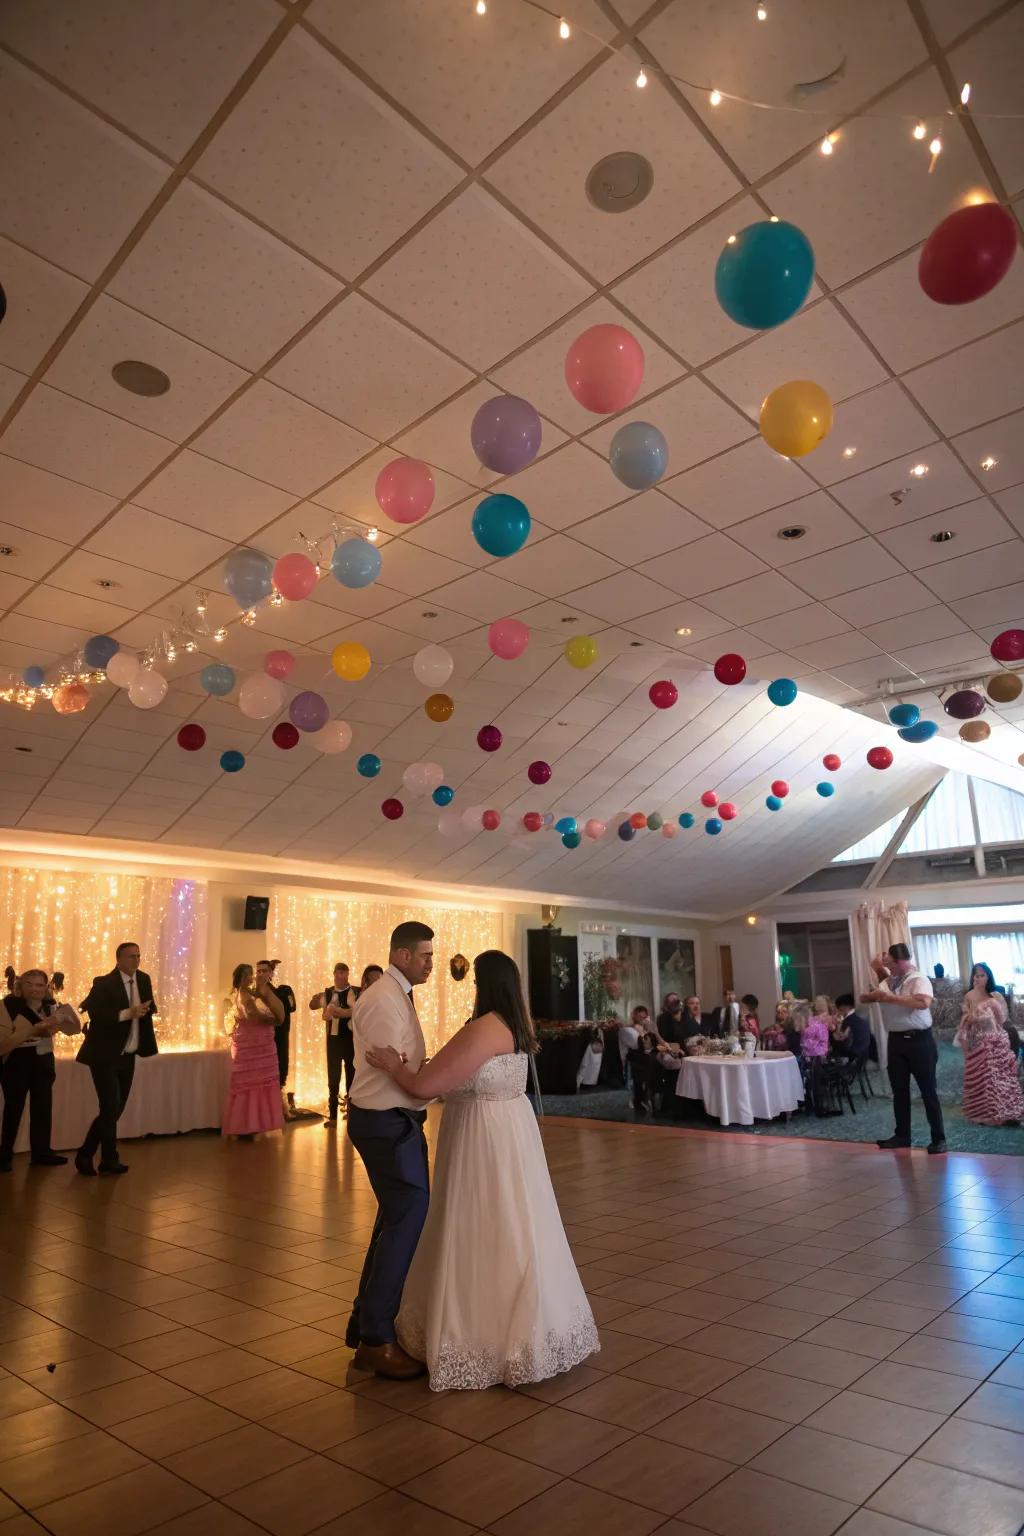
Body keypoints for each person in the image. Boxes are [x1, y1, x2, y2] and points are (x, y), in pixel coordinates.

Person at [367, 949, 599, 1392]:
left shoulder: (482, 1029)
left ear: (484, 985)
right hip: (511, 1134)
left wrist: (396, 1066)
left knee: (480, 1227)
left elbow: (426, 1085)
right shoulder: (516, 1025)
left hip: (483, 1141)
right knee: (518, 1226)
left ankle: (481, 1334)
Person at [345, 921, 434, 1380]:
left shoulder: (394, 994)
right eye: (425, 956)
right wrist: (424, 1082)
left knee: (395, 1220)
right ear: (401, 956)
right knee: (408, 1216)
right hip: (385, 1122)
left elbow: (404, 1062)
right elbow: (390, 1066)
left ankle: (368, 1325)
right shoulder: (382, 999)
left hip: (392, 1119)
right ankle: (375, 1339)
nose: (431, 964)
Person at [75, 942, 157, 1177]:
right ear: (118, 959)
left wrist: (144, 1013)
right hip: (104, 1054)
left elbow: (148, 1009)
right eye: (131, 956)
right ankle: (102, 1157)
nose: (136, 960)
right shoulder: (103, 983)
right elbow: (95, 1014)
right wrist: (127, 1013)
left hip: (128, 1054)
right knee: (110, 1106)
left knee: (116, 1109)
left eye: (139, 956)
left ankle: (95, 1156)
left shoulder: (143, 979)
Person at [862, 943, 946, 1154]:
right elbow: (872, 994)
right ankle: (902, 1136)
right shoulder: (892, 981)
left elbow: (923, 1003)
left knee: (928, 1091)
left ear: (900, 961)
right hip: (896, 1041)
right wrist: (875, 992)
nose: (888, 967)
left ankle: (939, 1139)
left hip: (920, 1041)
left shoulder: (919, 979)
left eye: (890, 962)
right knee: (899, 1091)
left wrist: (889, 999)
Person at [0, 968, 77, 1170]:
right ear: (21, 986)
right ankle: (4, 1156)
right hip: (16, 1060)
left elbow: (71, 1027)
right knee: (13, 1108)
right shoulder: (9, 1005)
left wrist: (60, 1019)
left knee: (42, 1107)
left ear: (46, 987)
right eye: (30, 984)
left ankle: (41, 1153)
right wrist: (36, 1028)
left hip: (43, 1059)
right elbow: (5, 1039)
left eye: (40, 985)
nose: (35, 989)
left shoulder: (51, 1005)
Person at [956, 963, 1024, 1127]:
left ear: (988, 977)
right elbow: (964, 1022)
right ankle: (985, 1114)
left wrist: (986, 1018)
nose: (978, 978)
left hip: (996, 1041)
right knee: (983, 1079)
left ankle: (1007, 1111)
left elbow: (1002, 1020)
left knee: (1001, 1079)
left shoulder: (995, 997)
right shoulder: (969, 997)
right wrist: (971, 1019)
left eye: (982, 975)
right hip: (977, 1042)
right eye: (976, 975)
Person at [223, 964, 285, 1138]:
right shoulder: (244, 995)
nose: (250, 978)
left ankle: (253, 1123)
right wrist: (272, 1020)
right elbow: (253, 1015)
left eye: (251, 974)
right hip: (254, 1045)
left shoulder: (245, 993)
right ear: (239, 978)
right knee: (252, 1083)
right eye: (246, 975)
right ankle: (249, 1125)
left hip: (255, 1043)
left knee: (254, 1084)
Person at [311, 962, 357, 1127]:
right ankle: (332, 1116)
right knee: (333, 1077)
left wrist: (343, 1013)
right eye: (336, 973)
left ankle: (352, 1112)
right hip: (333, 1041)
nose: (339, 977)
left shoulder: (354, 992)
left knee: (352, 1076)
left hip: (349, 1040)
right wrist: (316, 1001)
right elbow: (313, 1006)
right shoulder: (328, 993)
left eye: (342, 973)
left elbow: (358, 1010)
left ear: (347, 974)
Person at [256, 959, 296, 1120]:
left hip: (278, 1038)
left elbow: (291, 1008)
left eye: (265, 971)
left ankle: (279, 1108)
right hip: (260, 1041)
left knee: (280, 1071)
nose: (261, 974)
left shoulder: (283, 991)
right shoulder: (253, 993)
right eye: (258, 971)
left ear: (271, 973)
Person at [833, 994, 871, 1061]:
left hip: (851, 1054)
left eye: (839, 1010)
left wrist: (836, 1028)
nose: (838, 1013)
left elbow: (841, 1040)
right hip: (863, 1055)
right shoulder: (860, 1019)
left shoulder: (847, 1021)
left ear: (843, 1007)